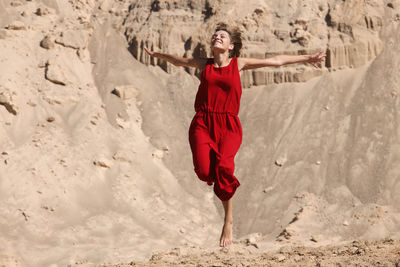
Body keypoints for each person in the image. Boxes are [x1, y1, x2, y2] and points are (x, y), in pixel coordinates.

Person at [143, 22, 326, 248]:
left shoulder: (239, 64)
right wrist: (157, 53)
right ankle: (221, 198)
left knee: (224, 169)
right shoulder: (206, 64)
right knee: (203, 171)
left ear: (231, 46)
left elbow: (276, 61)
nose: (217, 37)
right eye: (215, 35)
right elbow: (178, 61)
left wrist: (306, 58)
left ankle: (228, 219)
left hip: (228, 125)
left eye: (222, 36)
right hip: (202, 122)